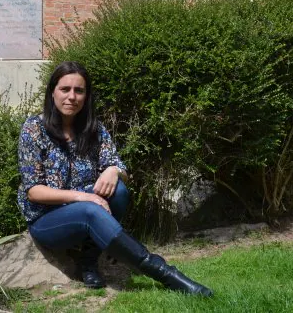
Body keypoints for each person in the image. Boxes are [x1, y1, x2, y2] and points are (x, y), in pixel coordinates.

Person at [17, 61, 213, 296]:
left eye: (79, 91)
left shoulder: (94, 129)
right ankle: (164, 273)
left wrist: (113, 170)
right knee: (90, 211)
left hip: (87, 209)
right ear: (52, 92)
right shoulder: (34, 128)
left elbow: (121, 169)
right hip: (47, 219)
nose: (72, 97)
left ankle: (88, 262)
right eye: (65, 89)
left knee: (118, 190)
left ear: (86, 96)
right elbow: (34, 191)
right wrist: (85, 197)